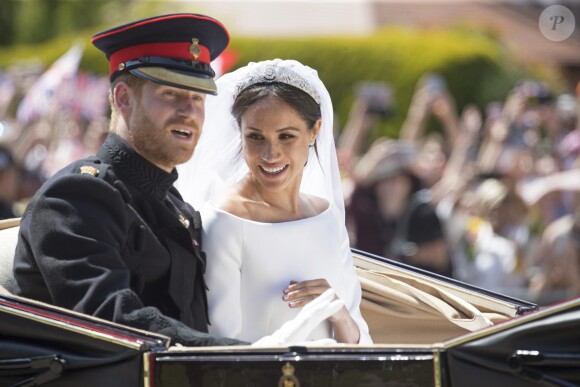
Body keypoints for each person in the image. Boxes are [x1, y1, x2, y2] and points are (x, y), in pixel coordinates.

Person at [11, 14, 245, 347]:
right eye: (171, 94)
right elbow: (113, 320)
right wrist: (235, 355)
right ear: (123, 98)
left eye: (197, 98)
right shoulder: (73, 198)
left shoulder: (177, 206)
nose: (189, 112)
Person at [176, 59, 372, 344]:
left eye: (286, 136)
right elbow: (222, 345)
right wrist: (301, 332)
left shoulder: (326, 217)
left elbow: (359, 337)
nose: (270, 154)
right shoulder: (223, 220)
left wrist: (339, 314)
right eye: (255, 137)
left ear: (314, 131)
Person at [346, 138, 452, 277]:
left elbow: (440, 258)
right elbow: (356, 187)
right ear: (377, 186)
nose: (394, 186)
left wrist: (410, 254)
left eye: (399, 179)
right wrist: (376, 158)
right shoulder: (365, 212)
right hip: (369, 284)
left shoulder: (420, 214)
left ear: (409, 185)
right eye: (387, 179)